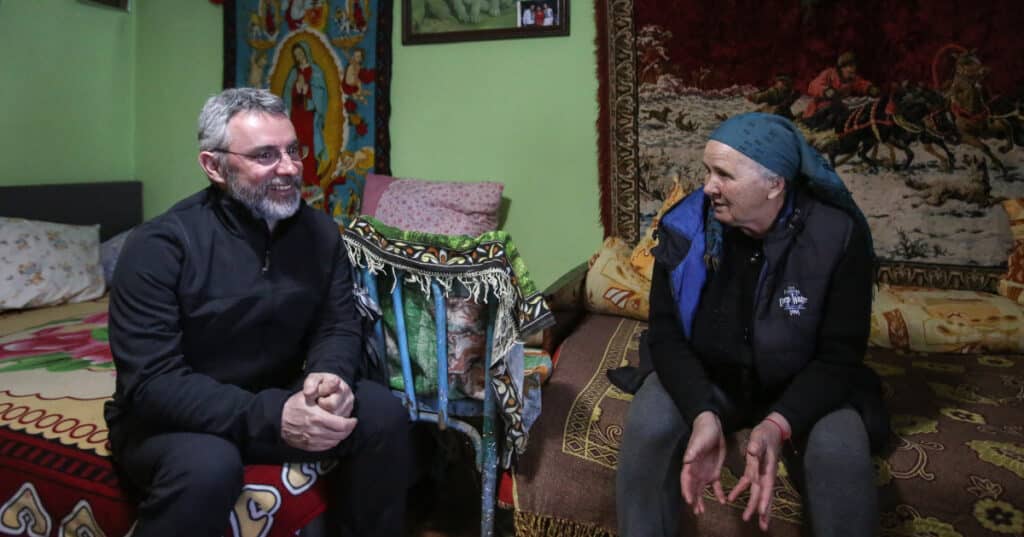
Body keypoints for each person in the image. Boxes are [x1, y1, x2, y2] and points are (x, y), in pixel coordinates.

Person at [104, 88, 412, 537]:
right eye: (265, 155)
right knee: (209, 467)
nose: (288, 168)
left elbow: (338, 324)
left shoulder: (320, 232)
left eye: (293, 150)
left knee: (383, 414)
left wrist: (332, 377)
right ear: (215, 167)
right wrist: (274, 415)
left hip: (272, 400)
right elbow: (152, 383)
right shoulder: (159, 246)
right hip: (174, 418)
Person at [614, 112, 888, 537]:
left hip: (800, 385)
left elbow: (840, 357)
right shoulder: (684, 227)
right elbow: (666, 337)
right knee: (649, 425)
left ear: (775, 184)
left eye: (723, 174)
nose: (708, 187)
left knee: (842, 449)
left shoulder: (838, 237)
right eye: (707, 171)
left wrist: (779, 424)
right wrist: (701, 413)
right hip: (709, 378)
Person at [284, 41, 328, 188]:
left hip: (309, 114)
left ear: (306, 53)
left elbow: (321, 93)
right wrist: (297, 89)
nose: (298, 57)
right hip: (296, 113)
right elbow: (287, 93)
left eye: (300, 53)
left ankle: (310, 177)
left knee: (309, 144)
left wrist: (308, 90)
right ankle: (296, 179)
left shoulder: (315, 71)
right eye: (296, 55)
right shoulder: (293, 73)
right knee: (297, 144)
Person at [802, 52, 879, 129]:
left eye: (854, 67)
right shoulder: (829, 74)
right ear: (842, 67)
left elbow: (861, 84)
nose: (853, 70)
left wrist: (869, 88)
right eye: (850, 66)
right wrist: (826, 91)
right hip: (818, 110)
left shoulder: (851, 79)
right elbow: (813, 85)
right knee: (833, 110)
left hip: (839, 108)